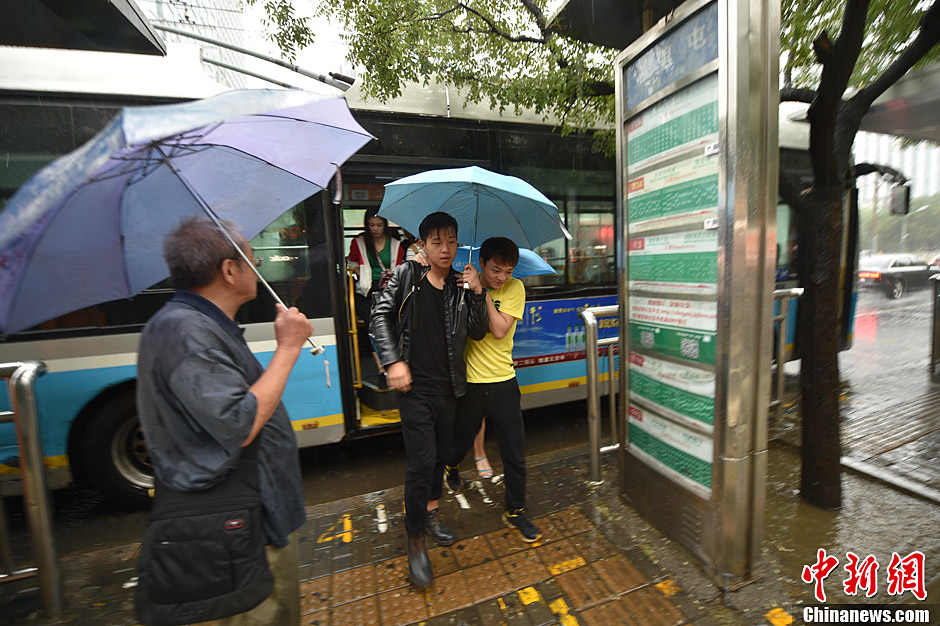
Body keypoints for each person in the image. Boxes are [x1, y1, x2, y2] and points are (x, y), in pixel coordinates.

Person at [136, 217, 312, 625]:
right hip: (236, 532)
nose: (258, 267)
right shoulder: (185, 331)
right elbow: (239, 423)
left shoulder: (201, 325)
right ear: (229, 270)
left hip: (249, 518)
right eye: (252, 258)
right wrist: (288, 347)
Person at [370, 211, 488, 589]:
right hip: (415, 389)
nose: (445, 249)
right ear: (422, 244)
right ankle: (416, 540)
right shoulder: (407, 275)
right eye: (436, 242)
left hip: (450, 388)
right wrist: (393, 361)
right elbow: (379, 316)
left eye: (451, 241)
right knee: (420, 463)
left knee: (440, 456)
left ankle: (433, 514)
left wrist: (477, 291)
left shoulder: (459, 284)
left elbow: (478, 331)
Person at [445, 237, 542, 542]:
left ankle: (515, 510)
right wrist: (469, 288)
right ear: (483, 262)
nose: (502, 277)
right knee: (460, 443)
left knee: (514, 451)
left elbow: (500, 330)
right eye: (496, 270)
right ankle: (450, 465)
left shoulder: (515, 289)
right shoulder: (461, 284)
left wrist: (482, 292)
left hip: (503, 381)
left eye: (508, 271)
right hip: (471, 383)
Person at [347, 207, 406, 380]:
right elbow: (351, 262)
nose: (375, 228)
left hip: (388, 291)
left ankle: (392, 363)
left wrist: (392, 273)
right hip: (366, 292)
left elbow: (401, 267)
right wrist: (360, 273)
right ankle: (382, 367)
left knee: (391, 326)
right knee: (374, 327)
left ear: (385, 225)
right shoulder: (359, 242)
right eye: (371, 225)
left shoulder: (395, 244)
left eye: (379, 225)